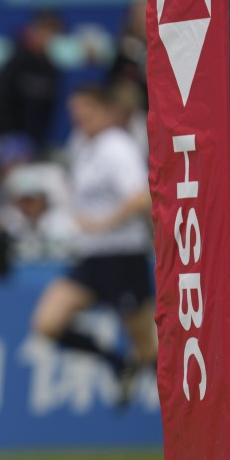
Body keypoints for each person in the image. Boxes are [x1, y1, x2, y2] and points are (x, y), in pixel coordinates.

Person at [29, 83, 156, 404]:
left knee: (148, 348)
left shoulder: (117, 147)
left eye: (87, 110)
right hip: (92, 258)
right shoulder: (82, 146)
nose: (80, 117)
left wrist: (103, 223)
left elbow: (141, 197)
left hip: (124, 256)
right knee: (47, 323)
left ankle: (189, 417)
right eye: (76, 112)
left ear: (105, 111)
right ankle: (116, 363)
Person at [0, 9, 64, 175]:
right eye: (43, 30)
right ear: (33, 30)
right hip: (2, 142)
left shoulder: (52, 71)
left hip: (31, 149)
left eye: (52, 32)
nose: (47, 37)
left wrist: (35, 146)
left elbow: (46, 114)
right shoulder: (14, 62)